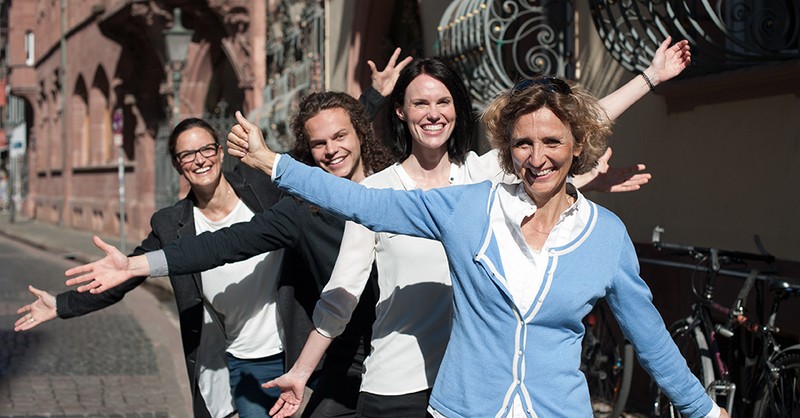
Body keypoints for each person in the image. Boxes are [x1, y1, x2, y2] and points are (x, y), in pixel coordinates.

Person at [63, 38, 692, 417]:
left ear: (457, 110)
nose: (433, 113)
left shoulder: (482, 178)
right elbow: (333, 290)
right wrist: (302, 371)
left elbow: (556, 129)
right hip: (401, 382)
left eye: (443, 101)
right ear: (402, 114)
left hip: (476, 386)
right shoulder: (379, 195)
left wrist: (641, 89)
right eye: (419, 103)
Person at [228, 76, 729, 417]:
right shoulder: (468, 207)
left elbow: (650, 336)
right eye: (523, 144)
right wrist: (273, 163)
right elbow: (365, 203)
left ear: (578, 145)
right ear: (507, 149)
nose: (537, 158)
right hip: (463, 408)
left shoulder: (606, 235)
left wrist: (701, 409)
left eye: (552, 142)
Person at [15, 118, 287, 418]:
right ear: (177, 165)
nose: (199, 160)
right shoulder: (171, 225)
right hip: (246, 358)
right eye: (187, 155)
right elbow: (124, 276)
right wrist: (61, 304)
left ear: (220, 153)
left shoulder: (261, 186)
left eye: (206, 149)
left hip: (298, 344)